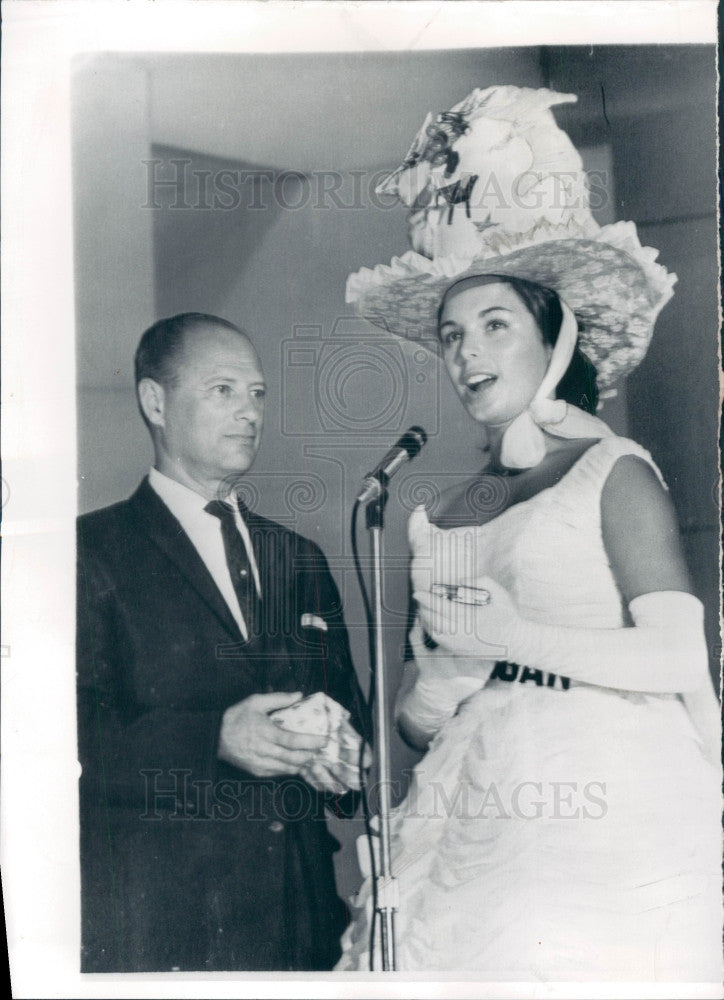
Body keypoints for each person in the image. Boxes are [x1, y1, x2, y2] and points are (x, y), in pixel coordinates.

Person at [337, 86, 722, 977]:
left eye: (495, 325)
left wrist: (510, 634)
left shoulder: (611, 469)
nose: (467, 353)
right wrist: (436, 682)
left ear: (554, 336)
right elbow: (421, 718)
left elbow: (676, 661)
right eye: (452, 334)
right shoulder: (449, 509)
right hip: (472, 796)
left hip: (609, 791)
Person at [77, 312, 370, 972]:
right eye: (223, 390)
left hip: (303, 925)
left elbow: (351, 728)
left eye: (258, 393)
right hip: (168, 928)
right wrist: (211, 737)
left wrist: (351, 764)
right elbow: (59, 745)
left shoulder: (300, 557)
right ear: (156, 402)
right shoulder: (88, 553)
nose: (249, 413)